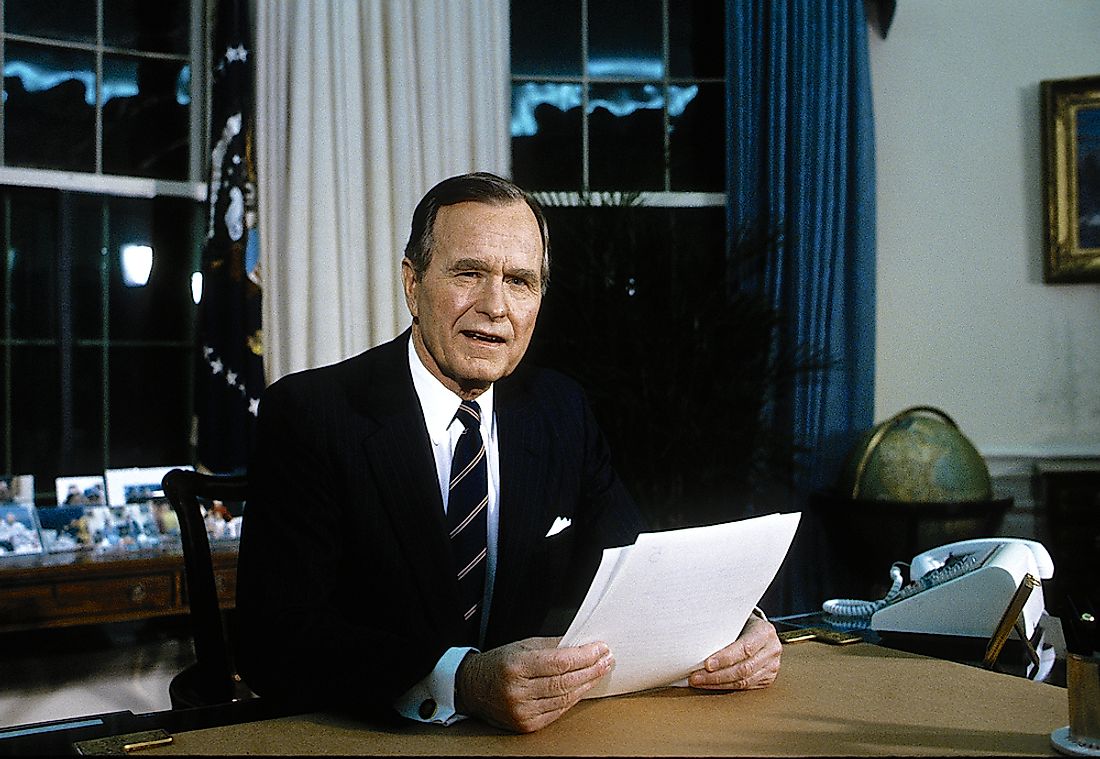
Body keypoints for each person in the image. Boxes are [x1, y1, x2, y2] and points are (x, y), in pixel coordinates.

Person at [234, 172, 781, 733]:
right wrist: (462, 680)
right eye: (469, 273)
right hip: (370, 735)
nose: (495, 307)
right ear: (412, 284)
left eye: (519, 281)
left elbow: (632, 567)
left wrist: (732, 626)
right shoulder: (314, 414)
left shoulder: (559, 409)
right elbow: (274, 636)